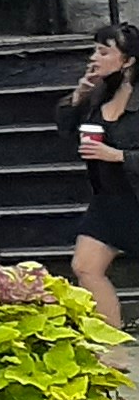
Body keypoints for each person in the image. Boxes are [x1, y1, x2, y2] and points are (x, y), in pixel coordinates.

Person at [61, 25, 138, 335]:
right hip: (109, 200)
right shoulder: (98, 91)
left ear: (128, 61)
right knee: (85, 267)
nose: (94, 57)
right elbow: (65, 128)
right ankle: (112, 345)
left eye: (104, 51)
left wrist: (117, 155)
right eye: (94, 50)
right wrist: (77, 95)